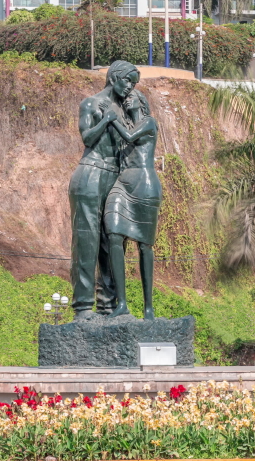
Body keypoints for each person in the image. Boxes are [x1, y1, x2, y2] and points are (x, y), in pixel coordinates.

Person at [69, 61, 139, 321]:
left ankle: (109, 306)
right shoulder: (91, 103)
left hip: (115, 177)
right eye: (128, 81)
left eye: (135, 83)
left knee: (114, 241)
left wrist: (130, 116)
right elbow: (87, 138)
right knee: (87, 241)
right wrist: (107, 120)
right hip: (90, 174)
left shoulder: (125, 108)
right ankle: (83, 307)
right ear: (113, 78)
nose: (131, 87)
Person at [103, 90, 161, 320]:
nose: (128, 98)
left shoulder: (149, 122)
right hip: (123, 183)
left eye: (133, 96)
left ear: (142, 103)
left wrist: (112, 118)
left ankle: (148, 307)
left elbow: (129, 136)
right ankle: (122, 303)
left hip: (145, 185)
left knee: (144, 246)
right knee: (114, 234)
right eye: (126, 97)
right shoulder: (124, 124)